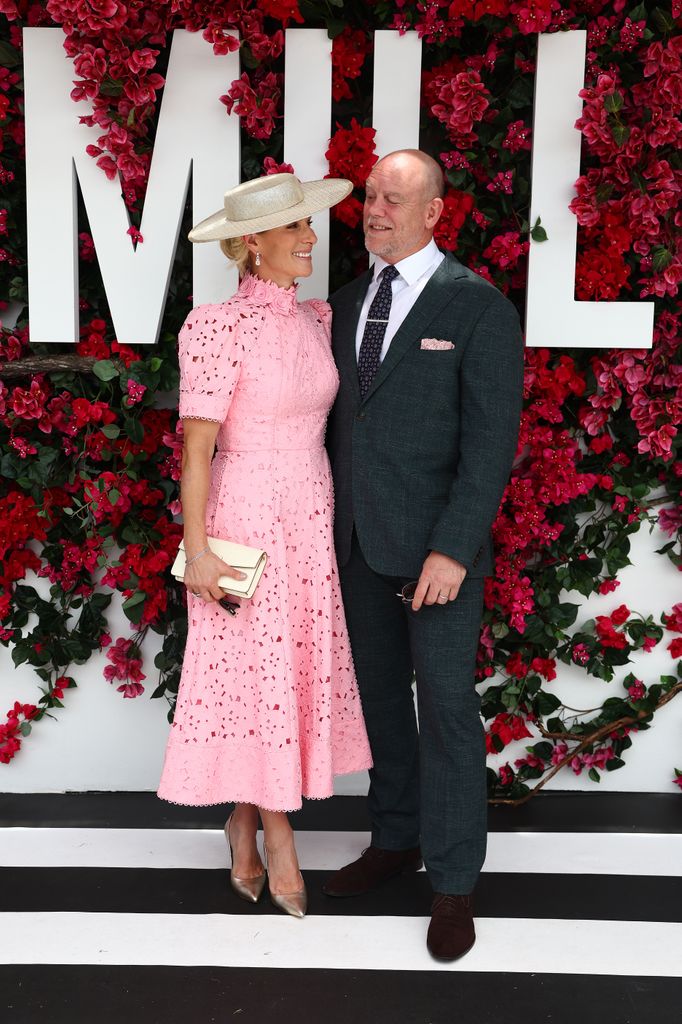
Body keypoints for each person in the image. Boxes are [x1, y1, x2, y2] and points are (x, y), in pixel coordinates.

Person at [323, 150, 524, 959]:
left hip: (438, 557)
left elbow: (491, 446)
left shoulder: (476, 307)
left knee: (444, 712)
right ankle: (395, 839)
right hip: (359, 547)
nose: (376, 210)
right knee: (380, 707)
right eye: (370, 196)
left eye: (394, 198)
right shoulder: (342, 305)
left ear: (435, 213)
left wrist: (452, 549)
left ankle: (453, 885)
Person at [157, 173, 372, 919]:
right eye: (294, 229)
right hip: (243, 515)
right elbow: (195, 451)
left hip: (310, 515)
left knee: (283, 675)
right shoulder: (215, 326)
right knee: (253, 676)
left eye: (308, 225)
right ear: (253, 244)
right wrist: (200, 552)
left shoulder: (315, 318)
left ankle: (241, 819)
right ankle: (277, 835)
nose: (311, 238)